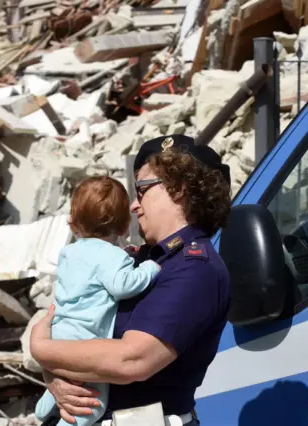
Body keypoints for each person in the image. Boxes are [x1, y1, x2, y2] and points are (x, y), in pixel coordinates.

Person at [31, 134, 232, 426]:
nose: (134, 206)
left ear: (178, 189)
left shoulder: (195, 269)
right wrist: (55, 378)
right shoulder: (141, 259)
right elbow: (72, 326)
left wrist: (41, 349)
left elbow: (132, 360)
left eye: (142, 190)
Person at [35, 176, 162, 426]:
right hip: (86, 338)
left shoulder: (68, 252)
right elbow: (122, 286)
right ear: (126, 226)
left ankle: (44, 407)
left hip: (60, 332)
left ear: (73, 223)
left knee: (65, 379)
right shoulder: (113, 256)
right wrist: (148, 268)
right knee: (92, 404)